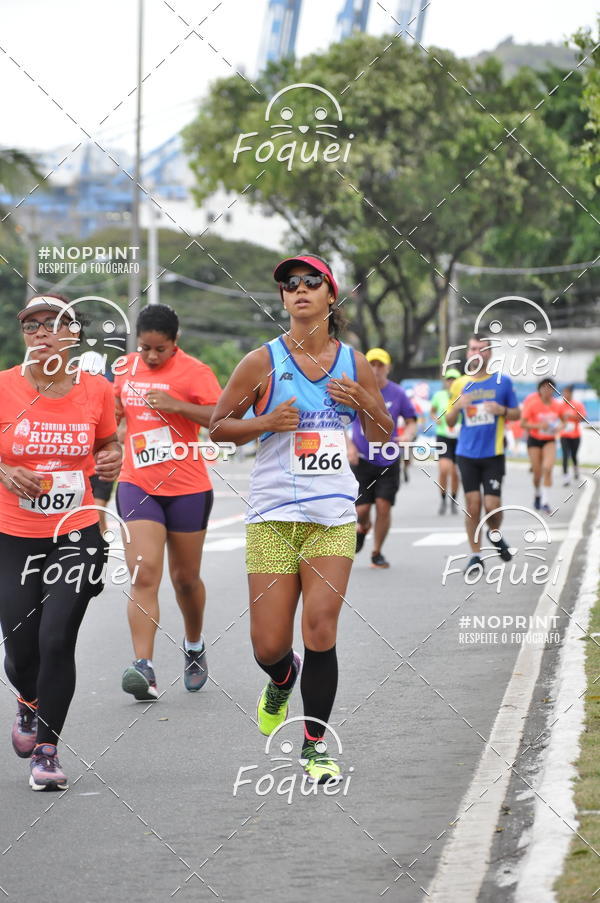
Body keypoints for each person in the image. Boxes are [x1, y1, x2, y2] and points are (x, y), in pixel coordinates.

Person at [210, 254, 392, 783]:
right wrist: (265, 421)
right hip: (271, 516)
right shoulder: (260, 362)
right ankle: (282, 676)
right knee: (267, 644)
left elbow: (384, 440)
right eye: (291, 285)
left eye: (312, 282)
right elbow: (219, 427)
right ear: (284, 299)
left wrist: (363, 402)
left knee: (320, 628)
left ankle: (315, 745)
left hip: (332, 516)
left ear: (330, 296)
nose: (300, 290)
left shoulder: (353, 364)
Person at [0, 294, 121, 790]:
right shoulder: (4, 387)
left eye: (54, 324)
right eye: (33, 327)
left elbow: (107, 444)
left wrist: (111, 457)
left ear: (74, 334)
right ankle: (28, 701)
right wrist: (5, 470)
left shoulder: (96, 391)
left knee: (56, 639)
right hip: (13, 535)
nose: (43, 333)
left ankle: (47, 750)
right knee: (22, 647)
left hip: (76, 533)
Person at [113, 304, 221, 701]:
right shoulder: (124, 368)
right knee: (144, 575)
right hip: (137, 483)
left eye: (160, 348)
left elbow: (221, 417)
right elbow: (113, 409)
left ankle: (194, 645)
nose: (152, 356)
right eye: (145, 348)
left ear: (176, 342)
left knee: (185, 579)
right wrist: (114, 427)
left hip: (188, 488)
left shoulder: (196, 372)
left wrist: (178, 406)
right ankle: (144, 667)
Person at [446, 335, 520, 576]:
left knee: (492, 506)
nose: (475, 352)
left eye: (481, 348)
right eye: (472, 348)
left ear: (489, 353)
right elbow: (448, 421)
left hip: (493, 453)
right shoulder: (459, 385)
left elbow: (517, 414)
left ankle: (494, 533)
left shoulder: (503, 382)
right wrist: (457, 406)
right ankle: (476, 555)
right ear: (467, 353)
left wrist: (503, 410)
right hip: (466, 453)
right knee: (473, 505)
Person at [346, 347, 417, 568]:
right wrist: (348, 446)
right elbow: (340, 423)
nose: (376, 370)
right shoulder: (356, 391)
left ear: (388, 368)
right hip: (361, 458)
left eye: (380, 365)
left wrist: (407, 435)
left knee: (384, 506)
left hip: (388, 458)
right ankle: (363, 526)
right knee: (363, 510)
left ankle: (377, 552)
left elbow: (412, 420)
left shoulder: (397, 393)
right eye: (372, 365)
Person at [81, 351, 115, 534]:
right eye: (86, 373)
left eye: (95, 374)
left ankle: (101, 553)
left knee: (97, 511)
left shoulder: (108, 392)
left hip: (101, 467)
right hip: (78, 470)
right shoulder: (71, 395)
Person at [521, 379, 564, 513]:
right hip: (534, 440)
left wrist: (559, 428)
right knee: (537, 473)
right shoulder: (533, 405)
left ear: (554, 390)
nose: (547, 390)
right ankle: (538, 493)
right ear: (539, 390)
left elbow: (564, 421)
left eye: (550, 388)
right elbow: (523, 424)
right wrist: (538, 426)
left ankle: (545, 501)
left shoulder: (557, 406)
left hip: (549, 440)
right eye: (544, 387)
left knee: (548, 467)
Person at [430, 369, 461, 515]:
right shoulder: (439, 395)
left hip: (460, 437)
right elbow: (433, 410)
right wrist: (434, 417)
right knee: (444, 469)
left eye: (454, 379)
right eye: (449, 379)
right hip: (443, 436)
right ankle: (443, 499)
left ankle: (453, 500)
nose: (451, 382)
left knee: (455, 472)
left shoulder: (463, 396)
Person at [559, 384, 586, 486]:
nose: (565, 395)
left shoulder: (577, 405)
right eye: (563, 393)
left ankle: (575, 470)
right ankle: (566, 477)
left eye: (567, 393)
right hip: (564, 435)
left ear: (571, 393)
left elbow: (583, 417)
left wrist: (572, 416)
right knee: (565, 455)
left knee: (574, 455)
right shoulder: (560, 406)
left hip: (575, 435)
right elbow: (557, 418)